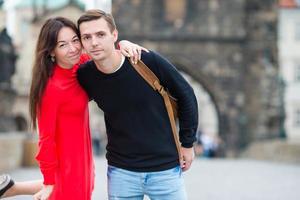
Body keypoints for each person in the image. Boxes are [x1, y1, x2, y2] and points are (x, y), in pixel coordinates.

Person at [0, 16, 145, 200]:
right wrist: (49, 182)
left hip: (82, 161)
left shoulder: (80, 63)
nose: (73, 48)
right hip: (66, 165)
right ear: (51, 51)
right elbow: (46, 138)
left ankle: (13, 188)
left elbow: (105, 52)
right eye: (62, 45)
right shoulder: (51, 88)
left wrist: (123, 43)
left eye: (75, 40)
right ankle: (16, 189)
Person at [76, 9, 198, 200]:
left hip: (165, 169)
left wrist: (188, 143)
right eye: (87, 37)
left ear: (114, 35)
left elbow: (187, 94)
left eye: (100, 34)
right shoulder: (85, 75)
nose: (94, 42)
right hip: (121, 172)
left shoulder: (146, 60)